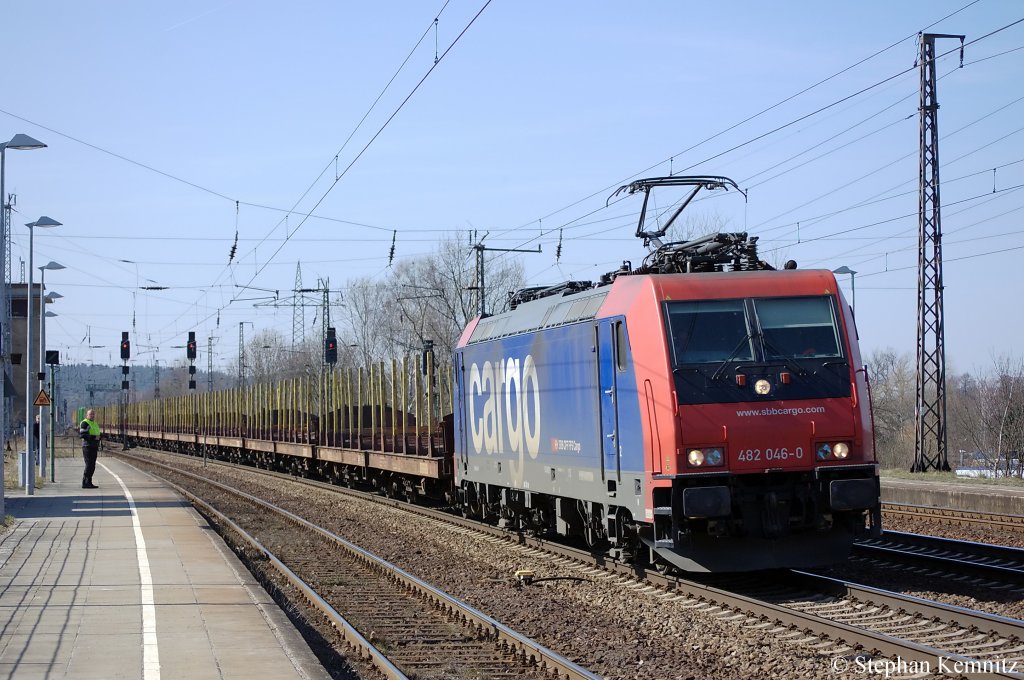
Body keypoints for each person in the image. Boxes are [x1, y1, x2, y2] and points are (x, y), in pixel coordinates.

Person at [79, 409, 101, 489]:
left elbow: (96, 433)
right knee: (89, 465)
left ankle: (89, 482)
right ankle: (85, 482)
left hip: (94, 446)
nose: (92, 415)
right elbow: (82, 435)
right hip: (87, 446)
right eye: (90, 414)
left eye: (93, 414)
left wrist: (100, 436)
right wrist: (94, 437)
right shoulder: (85, 423)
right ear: (87, 415)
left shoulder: (94, 423)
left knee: (92, 465)